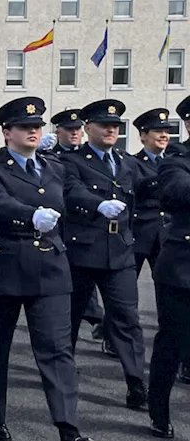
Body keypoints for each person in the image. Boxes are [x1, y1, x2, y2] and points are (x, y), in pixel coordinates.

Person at [0, 96, 96, 441]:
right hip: (3, 267)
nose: (34, 132)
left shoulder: (54, 168)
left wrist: (97, 205)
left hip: (50, 268)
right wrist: (29, 214)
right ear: (7, 133)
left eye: (37, 127)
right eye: (26, 127)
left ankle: (69, 431)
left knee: (57, 351)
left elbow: (71, 198)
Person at [58, 100, 147, 410]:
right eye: (104, 125)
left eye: (115, 126)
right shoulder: (72, 161)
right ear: (87, 129)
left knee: (127, 319)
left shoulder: (127, 163)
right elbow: (70, 191)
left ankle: (136, 382)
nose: (111, 130)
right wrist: (97, 204)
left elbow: (144, 194)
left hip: (119, 252)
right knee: (68, 319)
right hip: (82, 251)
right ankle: (62, 376)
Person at [148, 96, 190, 438]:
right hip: (182, 267)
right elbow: (176, 193)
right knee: (172, 341)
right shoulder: (177, 158)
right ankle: (159, 409)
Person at [130, 108, 177, 277]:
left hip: (168, 234)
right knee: (127, 290)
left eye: (166, 131)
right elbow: (137, 188)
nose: (164, 135)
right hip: (140, 233)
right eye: (158, 131)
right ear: (143, 135)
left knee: (167, 289)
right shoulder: (132, 163)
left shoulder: (174, 162)